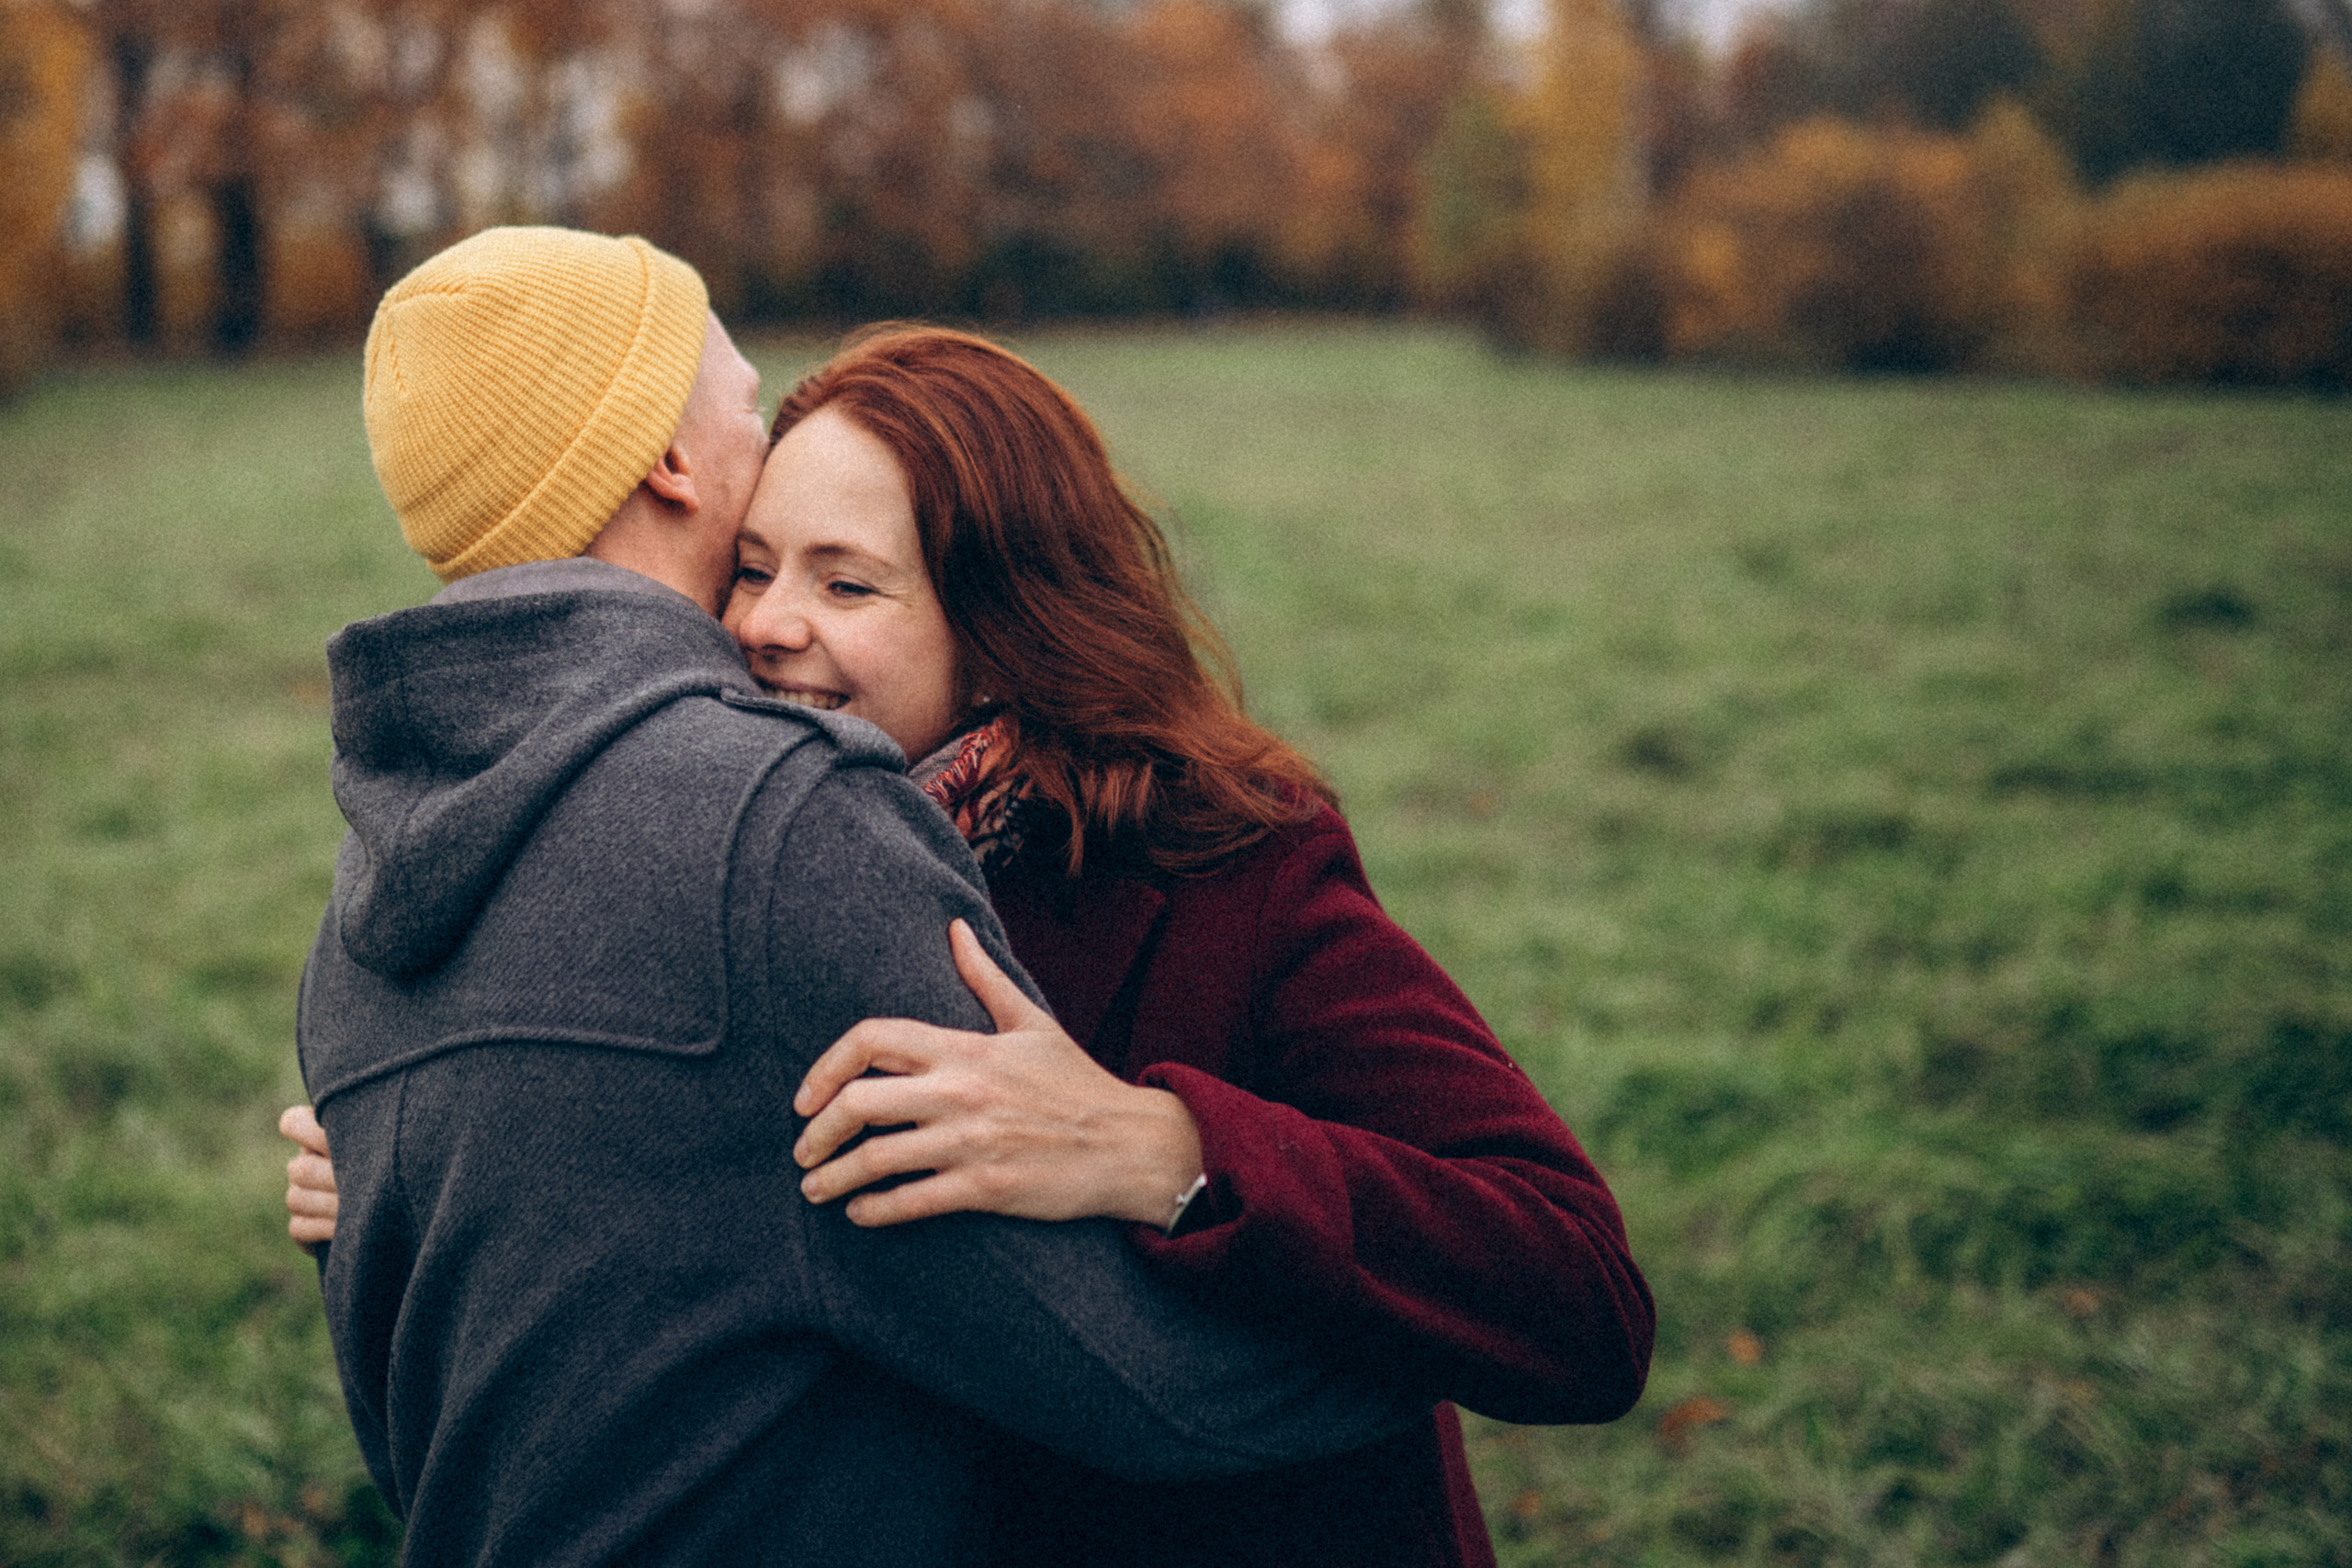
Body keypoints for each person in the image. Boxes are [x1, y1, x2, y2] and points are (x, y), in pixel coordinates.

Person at [290, 318, 1653, 1567]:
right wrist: (442, 1165)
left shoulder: (1229, 864)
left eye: (851, 584)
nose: (769, 625)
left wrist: (1166, 1152)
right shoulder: (746, 884)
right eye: (753, 568)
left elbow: (1578, 1293)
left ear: (1005, 627)